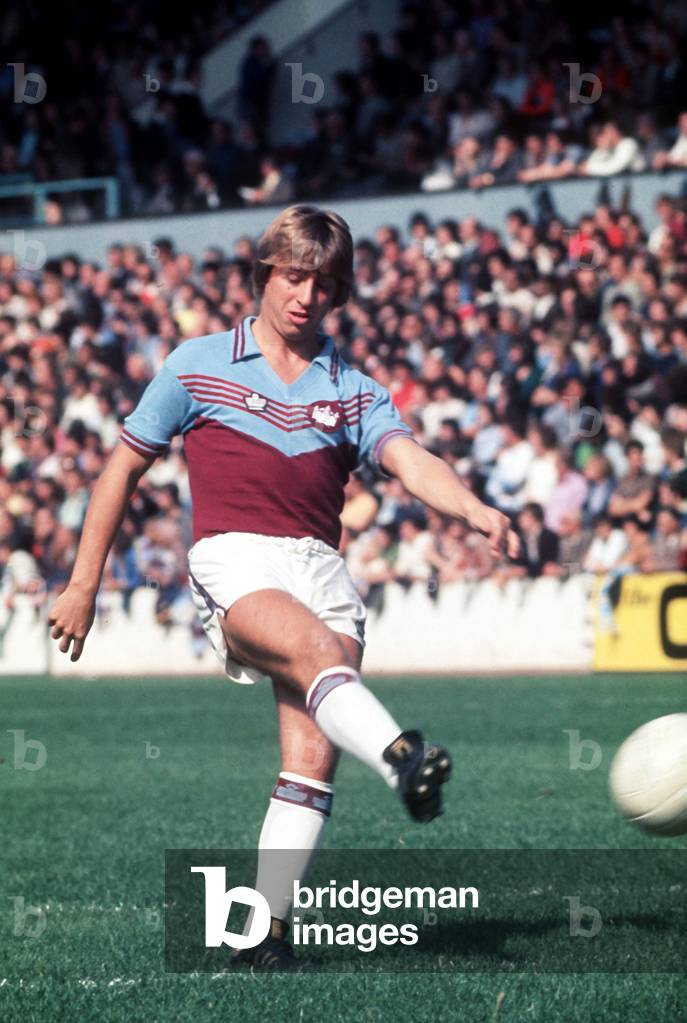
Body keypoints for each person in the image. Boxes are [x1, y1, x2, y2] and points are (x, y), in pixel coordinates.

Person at [48, 204, 518, 971]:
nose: (306, 296)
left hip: (319, 565)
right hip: (235, 556)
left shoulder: (355, 388)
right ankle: (401, 753)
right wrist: (82, 583)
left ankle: (264, 935)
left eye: (324, 283)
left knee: (309, 755)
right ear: (263, 274)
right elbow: (121, 466)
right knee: (312, 647)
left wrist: (468, 505)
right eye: (293, 276)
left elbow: (408, 457)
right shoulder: (195, 363)